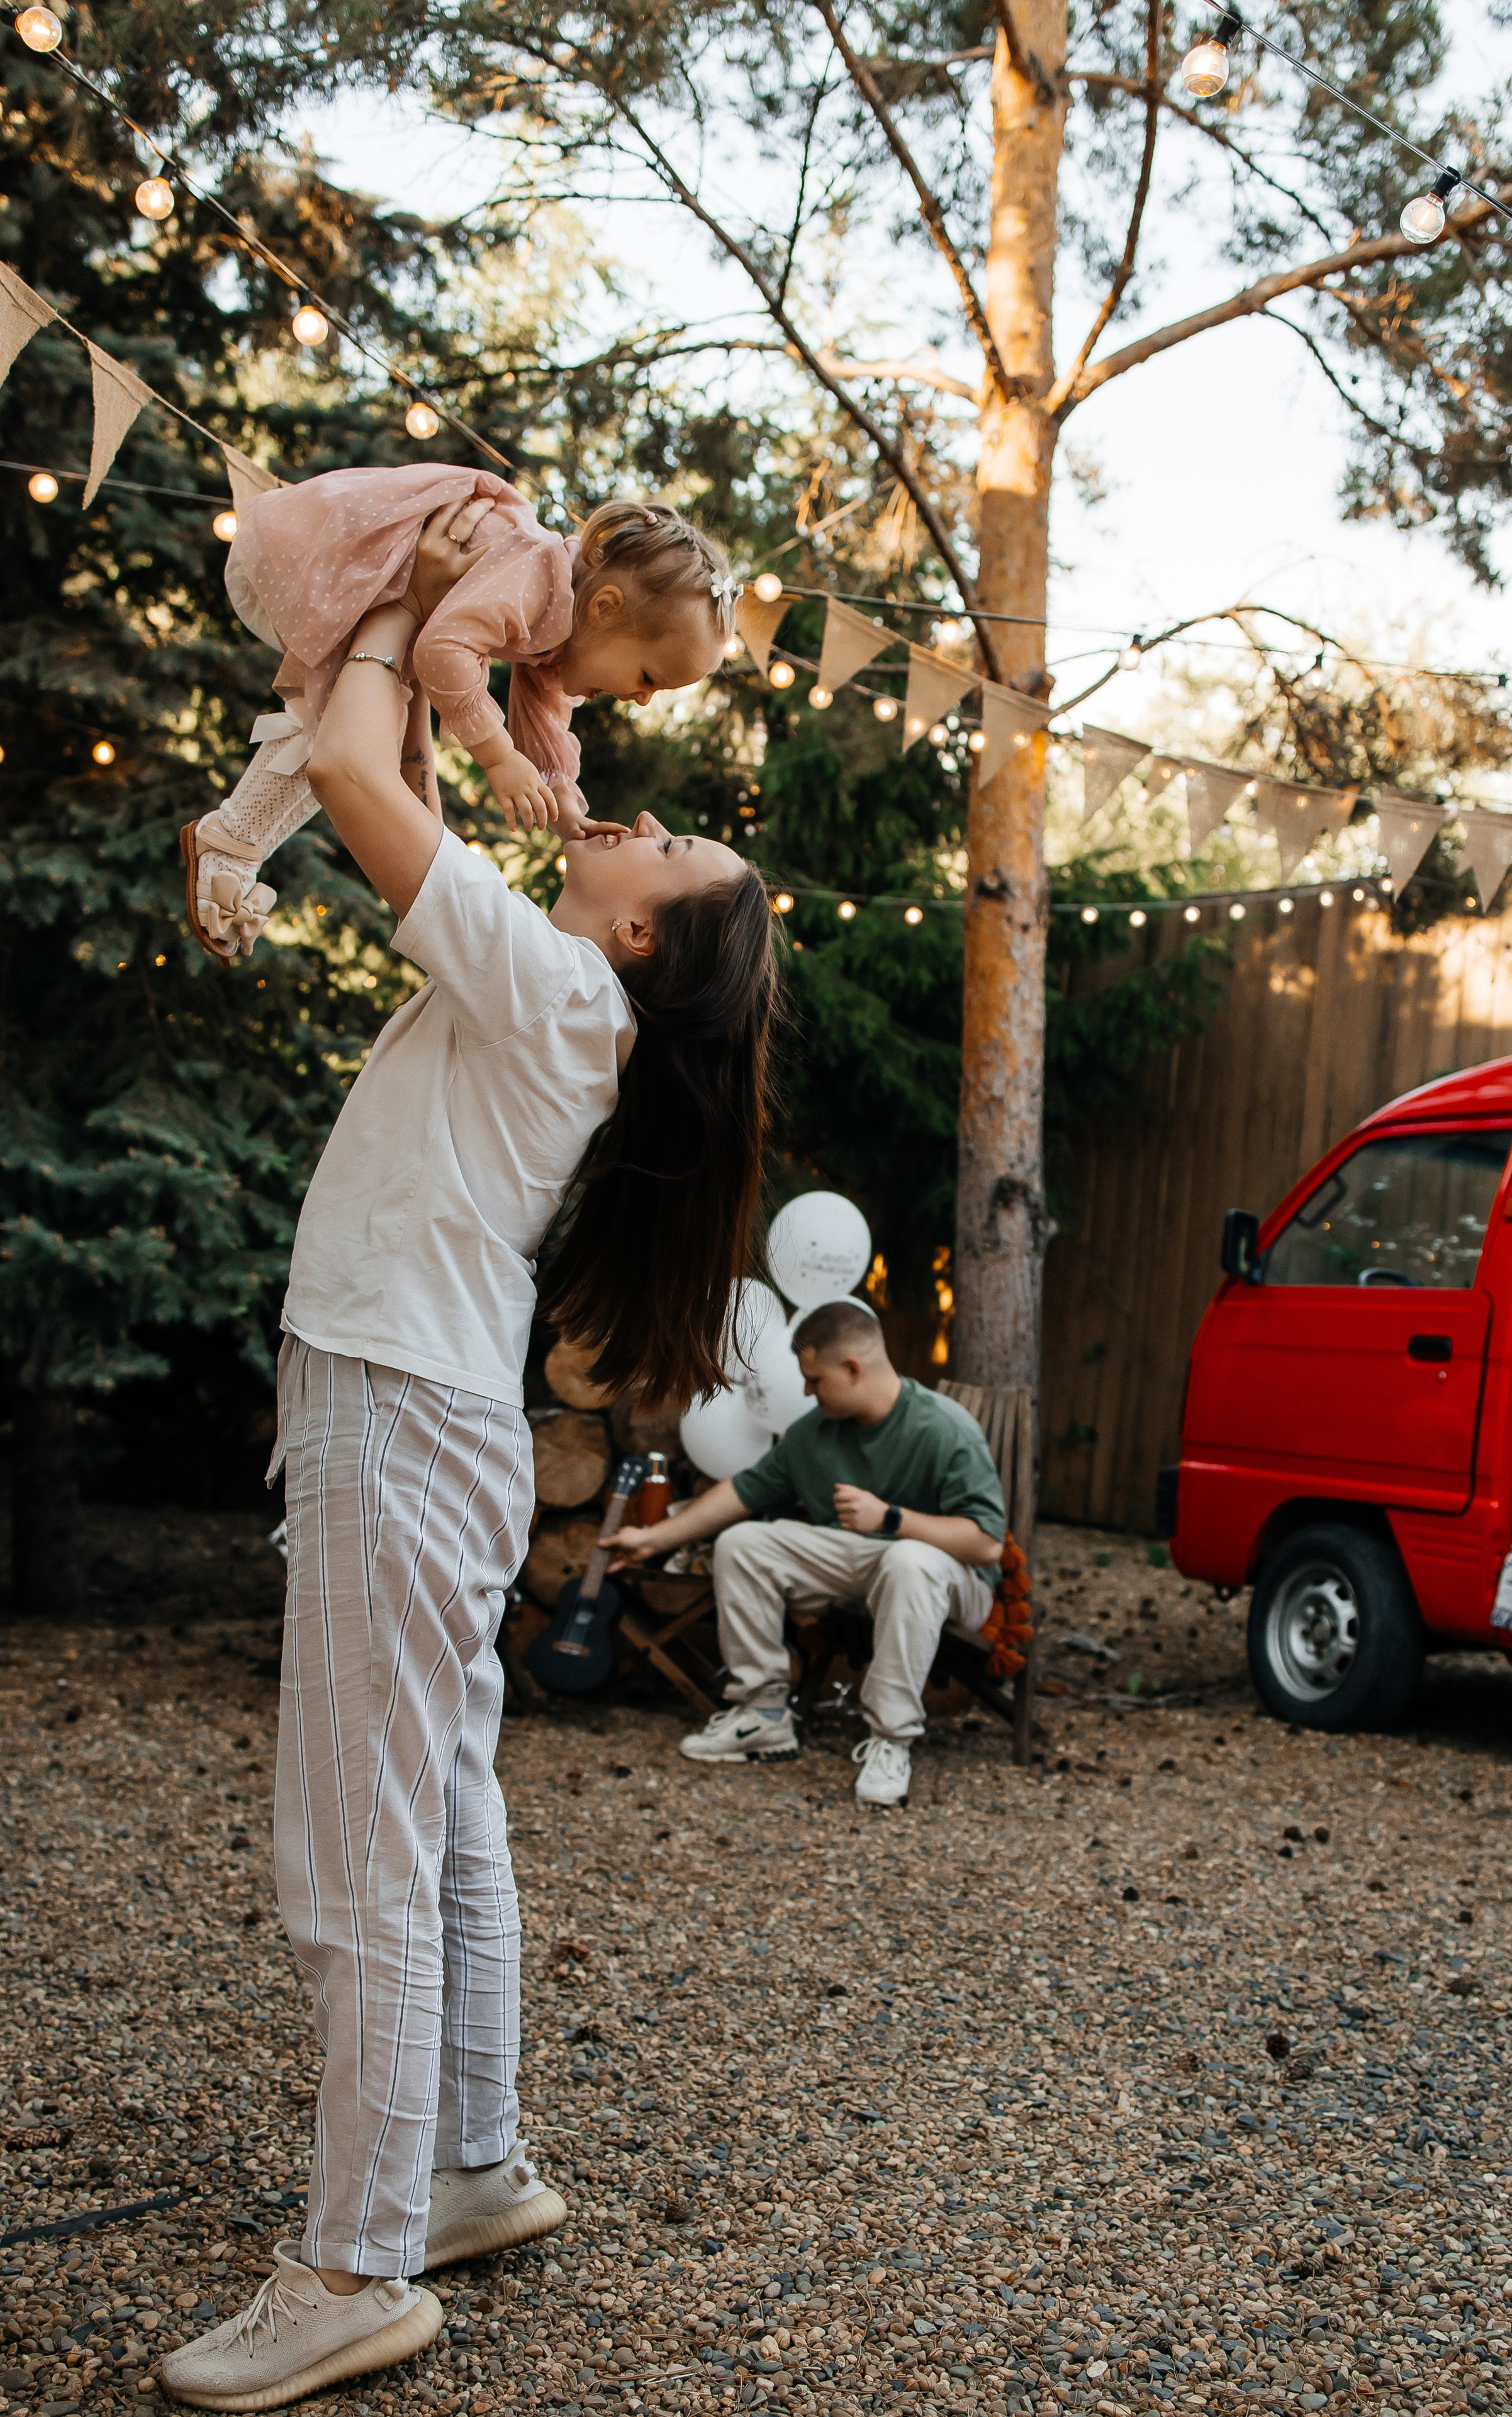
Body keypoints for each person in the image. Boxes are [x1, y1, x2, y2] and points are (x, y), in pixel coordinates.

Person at [160, 496, 780, 2412]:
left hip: (393, 1406)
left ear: (642, 932)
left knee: (354, 1852)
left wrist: (409, 601)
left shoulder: (550, 980)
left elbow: (354, 759)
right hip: (430, 1412)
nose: (624, 813)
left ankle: (351, 2263)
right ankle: (472, 2165)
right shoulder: (574, 983)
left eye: (656, 843)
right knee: (435, 1800)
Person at [182, 473, 737, 959]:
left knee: (353, 722)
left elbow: (544, 711)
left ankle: (235, 840)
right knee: (337, 725)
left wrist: (563, 800)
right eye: (648, 678)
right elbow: (441, 651)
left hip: (382, 584)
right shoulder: (537, 573)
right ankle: (233, 837)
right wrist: (497, 757)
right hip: (350, 557)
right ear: (605, 607)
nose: (641, 700)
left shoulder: (560, 625)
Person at [610, 1299, 1007, 1808]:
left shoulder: (943, 1428)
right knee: (745, 1543)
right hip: (863, 1561)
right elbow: (742, 1492)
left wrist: (891, 1518)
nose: (805, 1390)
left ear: (853, 1368)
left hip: (951, 1576)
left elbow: (986, 1541)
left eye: (814, 1379)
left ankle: (891, 1739)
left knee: (908, 1560)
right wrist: (652, 1539)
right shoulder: (813, 1435)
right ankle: (764, 1714)